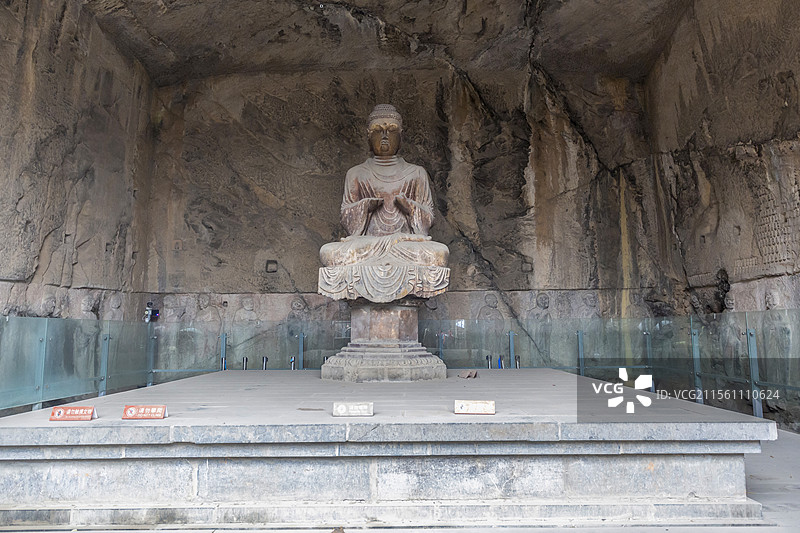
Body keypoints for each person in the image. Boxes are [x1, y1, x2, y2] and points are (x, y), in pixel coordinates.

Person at [318, 104, 449, 302]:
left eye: (392, 130)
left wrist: (411, 208)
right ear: (368, 137)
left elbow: (429, 217)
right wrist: (365, 207)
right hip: (368, 244)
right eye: (378, 131)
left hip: (405, 244)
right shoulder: (356, 173)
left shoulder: (416, 172)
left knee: (439, 254)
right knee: (328, 253)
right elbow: (345, 216)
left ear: (401, 136)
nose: (385, 135)